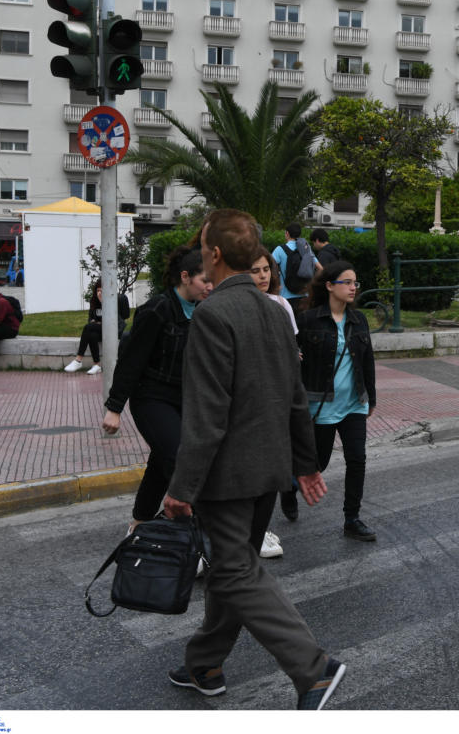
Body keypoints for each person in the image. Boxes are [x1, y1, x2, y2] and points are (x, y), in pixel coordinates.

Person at [162, 208, 347, 711]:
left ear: (215, 254)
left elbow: (206, 416)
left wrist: (181, 488)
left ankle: (314, 669)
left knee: (236, 571)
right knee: (230, 567)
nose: (202, 252)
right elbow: (294, 396)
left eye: (203, 245)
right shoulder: (273, 309)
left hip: (227, 474)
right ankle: (206, 662)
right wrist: (304, 464)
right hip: (270, 468)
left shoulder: (213, 315)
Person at [103, 246, 211, 533]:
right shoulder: (157, 310)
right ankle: (192, 532)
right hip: (152, 397)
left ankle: (140, 522)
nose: (210, 287)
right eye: (205, 280)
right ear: (185, 277)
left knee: (161, 460)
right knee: (179, 458)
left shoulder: (205, 310)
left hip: (187, 400)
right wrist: (114, 408)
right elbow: (131, 360)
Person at [284, 260, 377, 541]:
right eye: (346, 282)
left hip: (353, 404)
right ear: (329, 286)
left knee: (357, 459)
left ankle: (352, 518)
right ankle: (288, 487)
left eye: (355, 283)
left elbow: (368, 360)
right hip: (320, 403)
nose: (352, 288)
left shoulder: (358, 319)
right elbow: (290, 355)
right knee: (318, 463)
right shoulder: (308, 320)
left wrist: (370, 397)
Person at [247, 248, 296, 560]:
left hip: (277, 395)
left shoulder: (281, 305)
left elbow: (291, 350)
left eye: (267, 269)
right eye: (256, 270)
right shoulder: (236, 308)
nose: (263, 275)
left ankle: (261, 528)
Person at [64, 279, 131, 376]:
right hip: (99, 330)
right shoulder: (94, 302)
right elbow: (91, 320)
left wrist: (104, 303)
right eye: (98, 291)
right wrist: (94, 322)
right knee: (92, 335)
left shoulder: (116, 300)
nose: (99, 293)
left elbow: (117, 319)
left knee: (88, 327)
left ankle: (78, 360)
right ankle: (97, 365)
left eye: (102, 291)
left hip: (114, 330)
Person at [272, 222, 322, 303]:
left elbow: (269, 267)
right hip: (305, 296)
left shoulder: (280, 249)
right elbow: (321, 269)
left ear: (287, 233)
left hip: (286, 297)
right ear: (299, 235)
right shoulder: (306, 249)